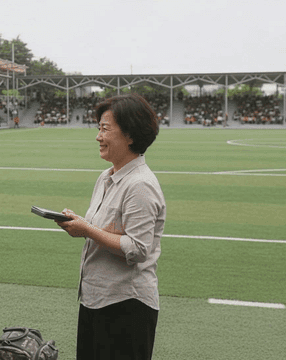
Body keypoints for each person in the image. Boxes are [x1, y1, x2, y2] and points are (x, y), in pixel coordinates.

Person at [55, 93, 166, 360]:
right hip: (96, 299)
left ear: (130, 135)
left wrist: (88, 229)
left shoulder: (140, 184)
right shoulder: (107, 176)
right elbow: (106, 230)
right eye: (98, 129)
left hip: (126, 306)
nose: (98, 136)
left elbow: (138, 249)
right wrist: (80, 224)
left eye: (105, 129)